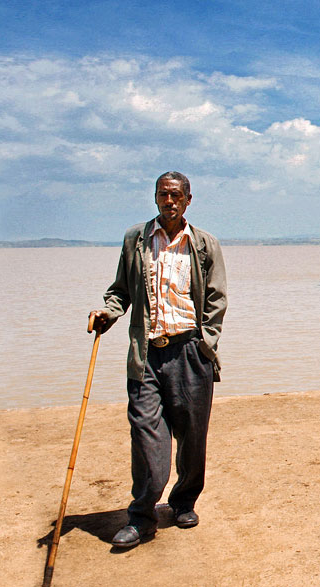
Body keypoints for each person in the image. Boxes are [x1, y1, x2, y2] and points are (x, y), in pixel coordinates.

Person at [90, 172, 227, 549]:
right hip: (147, 353)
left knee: (192, 438)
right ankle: (141, 517)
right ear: (154, 198)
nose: (169, 201)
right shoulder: (135, 239)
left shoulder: (204, 244)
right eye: (163, 195)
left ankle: (184, 501)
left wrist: (206, 342)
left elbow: (216, 299)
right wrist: (108, 312)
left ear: (188, 200)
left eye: (176, 195)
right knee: (147, 438)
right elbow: (120, 291)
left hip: (190, 352)